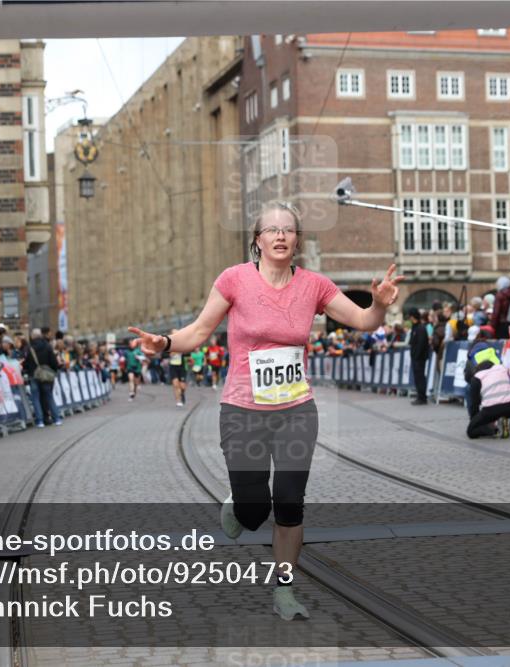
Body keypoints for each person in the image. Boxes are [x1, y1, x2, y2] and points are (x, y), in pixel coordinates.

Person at [127, 201, 403, 621]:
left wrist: (380, 305)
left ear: (297, 241)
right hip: (242, 410)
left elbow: (364, 321)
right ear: (256, 240)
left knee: (290, 503)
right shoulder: (234, 280)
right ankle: (239, 503)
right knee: (254, 512)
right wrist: (164, 343)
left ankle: (285, 589)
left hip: (295, 410)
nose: (279, 235)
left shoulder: (315, 286)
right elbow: (199, 331)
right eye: (270, 229)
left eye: (288, 230)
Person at [467, 360, 510, 439]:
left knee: (471, 431)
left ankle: (496, 430)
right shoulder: (502, 369)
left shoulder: (477, 377)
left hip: (491, 410)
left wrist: (475, 421)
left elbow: (474, 404)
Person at [23, 328, 62, 427]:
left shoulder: (30, 347)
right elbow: (53, 361)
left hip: (34, 375)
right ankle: (56, 418)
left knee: (35, 398)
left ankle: (40, 421)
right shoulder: (47, 346)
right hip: (47, 375)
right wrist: (53, 370)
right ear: (41, 336)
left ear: (32, 336)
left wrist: (27, 370)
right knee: (49, 396)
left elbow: (26, 362)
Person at [407, 308, 430, 405]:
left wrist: (416, 356)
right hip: (415, 357)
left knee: (420, 377)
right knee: (417, 377)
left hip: (419, 358)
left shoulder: (420, 328)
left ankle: (422, 397)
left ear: (413, 316)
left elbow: (421, 344)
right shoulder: (415, 327)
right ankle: (420, 396)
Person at [166, 329, 188, 406]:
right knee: (175, 385)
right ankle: (178, 401)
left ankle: (182, 393)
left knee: (182, 386)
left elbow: (187, 352)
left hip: (181, 367)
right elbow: (164, 355)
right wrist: (173, 352)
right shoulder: (168, 344)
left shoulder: (182, 344)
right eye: (175, 334)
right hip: (173, 367)